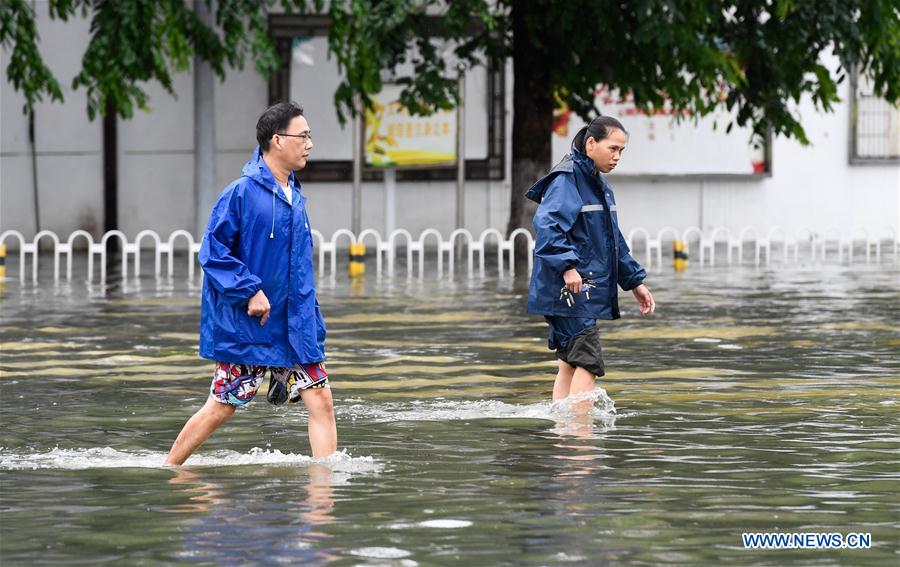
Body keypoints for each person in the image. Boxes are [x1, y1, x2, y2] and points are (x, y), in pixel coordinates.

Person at [166, 102, 336, 465]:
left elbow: (300, 271)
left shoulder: (295, 196)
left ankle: (325, 490)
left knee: (321, 400)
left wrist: (313, 321)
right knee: (221, 407)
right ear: (277, 140)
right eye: (302, 135)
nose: (309, 143)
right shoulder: (240, 193)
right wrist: (250, 290)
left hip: (294, 328)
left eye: (309, 136)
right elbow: (212, 253)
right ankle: (169, 469)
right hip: (251, 326)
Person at [526, 116, 655, 403]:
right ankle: (580, 440)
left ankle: (564, 435)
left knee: (570, 362)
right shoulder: (567, 179)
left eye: (622, 151)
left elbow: (612, 241)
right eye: (613, 148)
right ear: (591, 144)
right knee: (588, 361)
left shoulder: (598, 185)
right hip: (569, 289)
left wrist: (635, 282)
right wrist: (567, 267)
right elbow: (548, 227)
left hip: (580, 289)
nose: (617, 156)